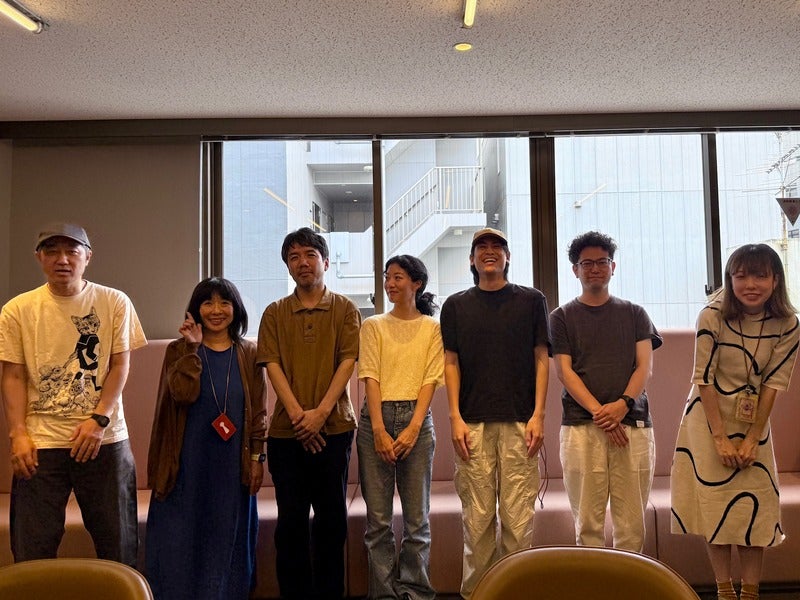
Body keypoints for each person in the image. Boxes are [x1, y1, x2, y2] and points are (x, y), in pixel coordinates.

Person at [0, 223, 146, 565]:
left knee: (119, 544)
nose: (62, 259)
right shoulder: (17, 309)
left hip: (104, 438)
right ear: (39, 258)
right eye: (51, 251)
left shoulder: (114, 301)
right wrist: (18, 434)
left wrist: (99, 419)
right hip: (41, 442)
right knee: (31, 549)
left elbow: (119, 366)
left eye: (71, 251)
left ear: (87, 257)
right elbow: (13, 375)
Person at [671, 243, 799, 600]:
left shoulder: (788, 323)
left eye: (760, 276)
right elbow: (703, 378)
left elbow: (774, 382)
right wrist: (720, 439)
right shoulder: (711, 314)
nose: (750, 285)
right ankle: (725, 592)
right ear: (730, 279)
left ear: (776, 280)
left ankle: (751, 593)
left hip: (754, 419)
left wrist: (753, 438)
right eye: (741, 276)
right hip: (707, 419)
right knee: (716, 506)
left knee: (755, 507)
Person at [441, 227, 549, 599]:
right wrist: (454, 417)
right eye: (481, 247)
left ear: (507, 257)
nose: (489, 252)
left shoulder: (531, 300)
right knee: (477, 522)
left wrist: (539, 415)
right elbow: (450, 362)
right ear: (471, 259)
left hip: (521, 421)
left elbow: (541, 358)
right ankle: (476, 594)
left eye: (497, 247)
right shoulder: (455, 305)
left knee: (519, 522)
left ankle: (515, 593)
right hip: (472, 422)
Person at [145, 277, 267, 599]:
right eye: (207, 303)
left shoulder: (249, 353)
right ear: (195, 310)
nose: (216, 310)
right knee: (181, 544)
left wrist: (257, 458)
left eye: (224, 303)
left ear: (235, 309)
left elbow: (258, 414)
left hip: (232, 466)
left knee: (226, 542)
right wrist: (192, 348)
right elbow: (182, 394)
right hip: (187, 464)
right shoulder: (178, 350)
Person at [257, 227, 361, 600]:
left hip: (334, 429)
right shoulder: (274, 313)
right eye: (294, 257)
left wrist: (320, 414)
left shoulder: (345, 309)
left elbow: (347, 362)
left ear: (326, 263)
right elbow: (271, 365)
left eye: (310, 255)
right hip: (286, 434)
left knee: (332, 522)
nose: (302, 262)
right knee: (291, 525)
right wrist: (301, 417)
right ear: (288, 266)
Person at [550, 231, 661, 552]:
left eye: (602, 262)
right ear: (575, 270)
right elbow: (565, 372)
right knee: (587, 523)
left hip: (633, 426)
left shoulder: (635, 313)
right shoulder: (561, 317)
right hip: (581, 428)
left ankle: (628, 580)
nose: (595, 269)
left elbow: (644, 368)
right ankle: (592, 579)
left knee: (632, 524)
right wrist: (602, 414)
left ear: (613, 267)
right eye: (587, 263)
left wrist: (622, 406)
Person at [357, 255, 444, 600]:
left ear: (416, 284)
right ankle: (383, 594)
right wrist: (379, 429)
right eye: (387, 277)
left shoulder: (432, 328)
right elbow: (370, 376)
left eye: (398, 277)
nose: (390, 284)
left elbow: (430, 379)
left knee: (417, 521)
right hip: (374, 421)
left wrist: (412, 427)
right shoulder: (373, 325)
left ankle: (415, 592)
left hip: (417, 420)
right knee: (378, 522)